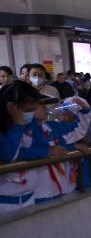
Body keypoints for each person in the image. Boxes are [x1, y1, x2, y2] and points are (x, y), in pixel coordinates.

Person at [0, 82, 49, 211]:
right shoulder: (15, 123)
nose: (31, 114)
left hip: (29, 198)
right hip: (4, 202)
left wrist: (20, 153)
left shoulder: (31, 121)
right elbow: (7, 155)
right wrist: (18, 124)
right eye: (27, 110)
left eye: (33, 110)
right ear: (11, 106)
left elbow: (44, 149)